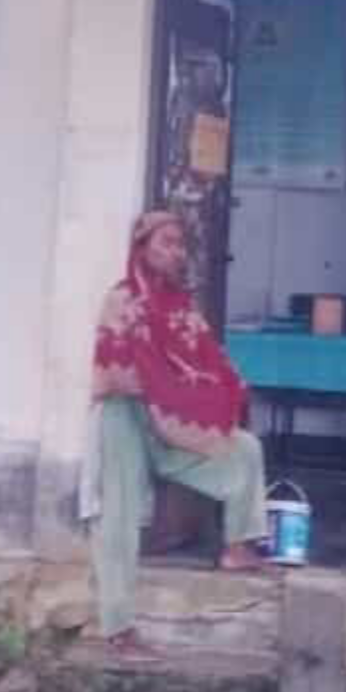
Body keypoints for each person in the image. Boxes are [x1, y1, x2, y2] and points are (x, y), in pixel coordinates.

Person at [79, 210, 270, 660]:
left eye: (180, 244)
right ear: (142, 248)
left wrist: (225, 386)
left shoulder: (182, 306)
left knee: (244, 448)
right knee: (120, 517)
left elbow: (208, 357)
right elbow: (117, 371)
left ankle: (236, 547)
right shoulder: (122, 300)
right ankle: (118, 629)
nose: (176, 252)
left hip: (174, 418)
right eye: (165, 243)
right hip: (126, 415)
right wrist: (172, 389)